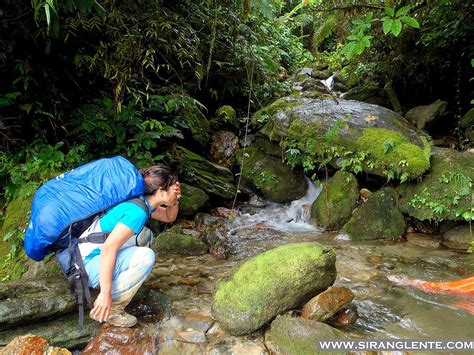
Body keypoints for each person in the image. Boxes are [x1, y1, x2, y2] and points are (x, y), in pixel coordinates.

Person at [78, 164, 180, 327]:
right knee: (147, 256)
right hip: (87, 265)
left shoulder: (142, 202)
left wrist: (174, 200)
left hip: (81, 257)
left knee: (143, 239)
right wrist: (106, 294)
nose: (177, 190)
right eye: (174, 187)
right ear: (161, 191)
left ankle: (111, 288)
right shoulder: (137, 212)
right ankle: (112, 309)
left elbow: (168, 217)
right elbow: (108, 249)